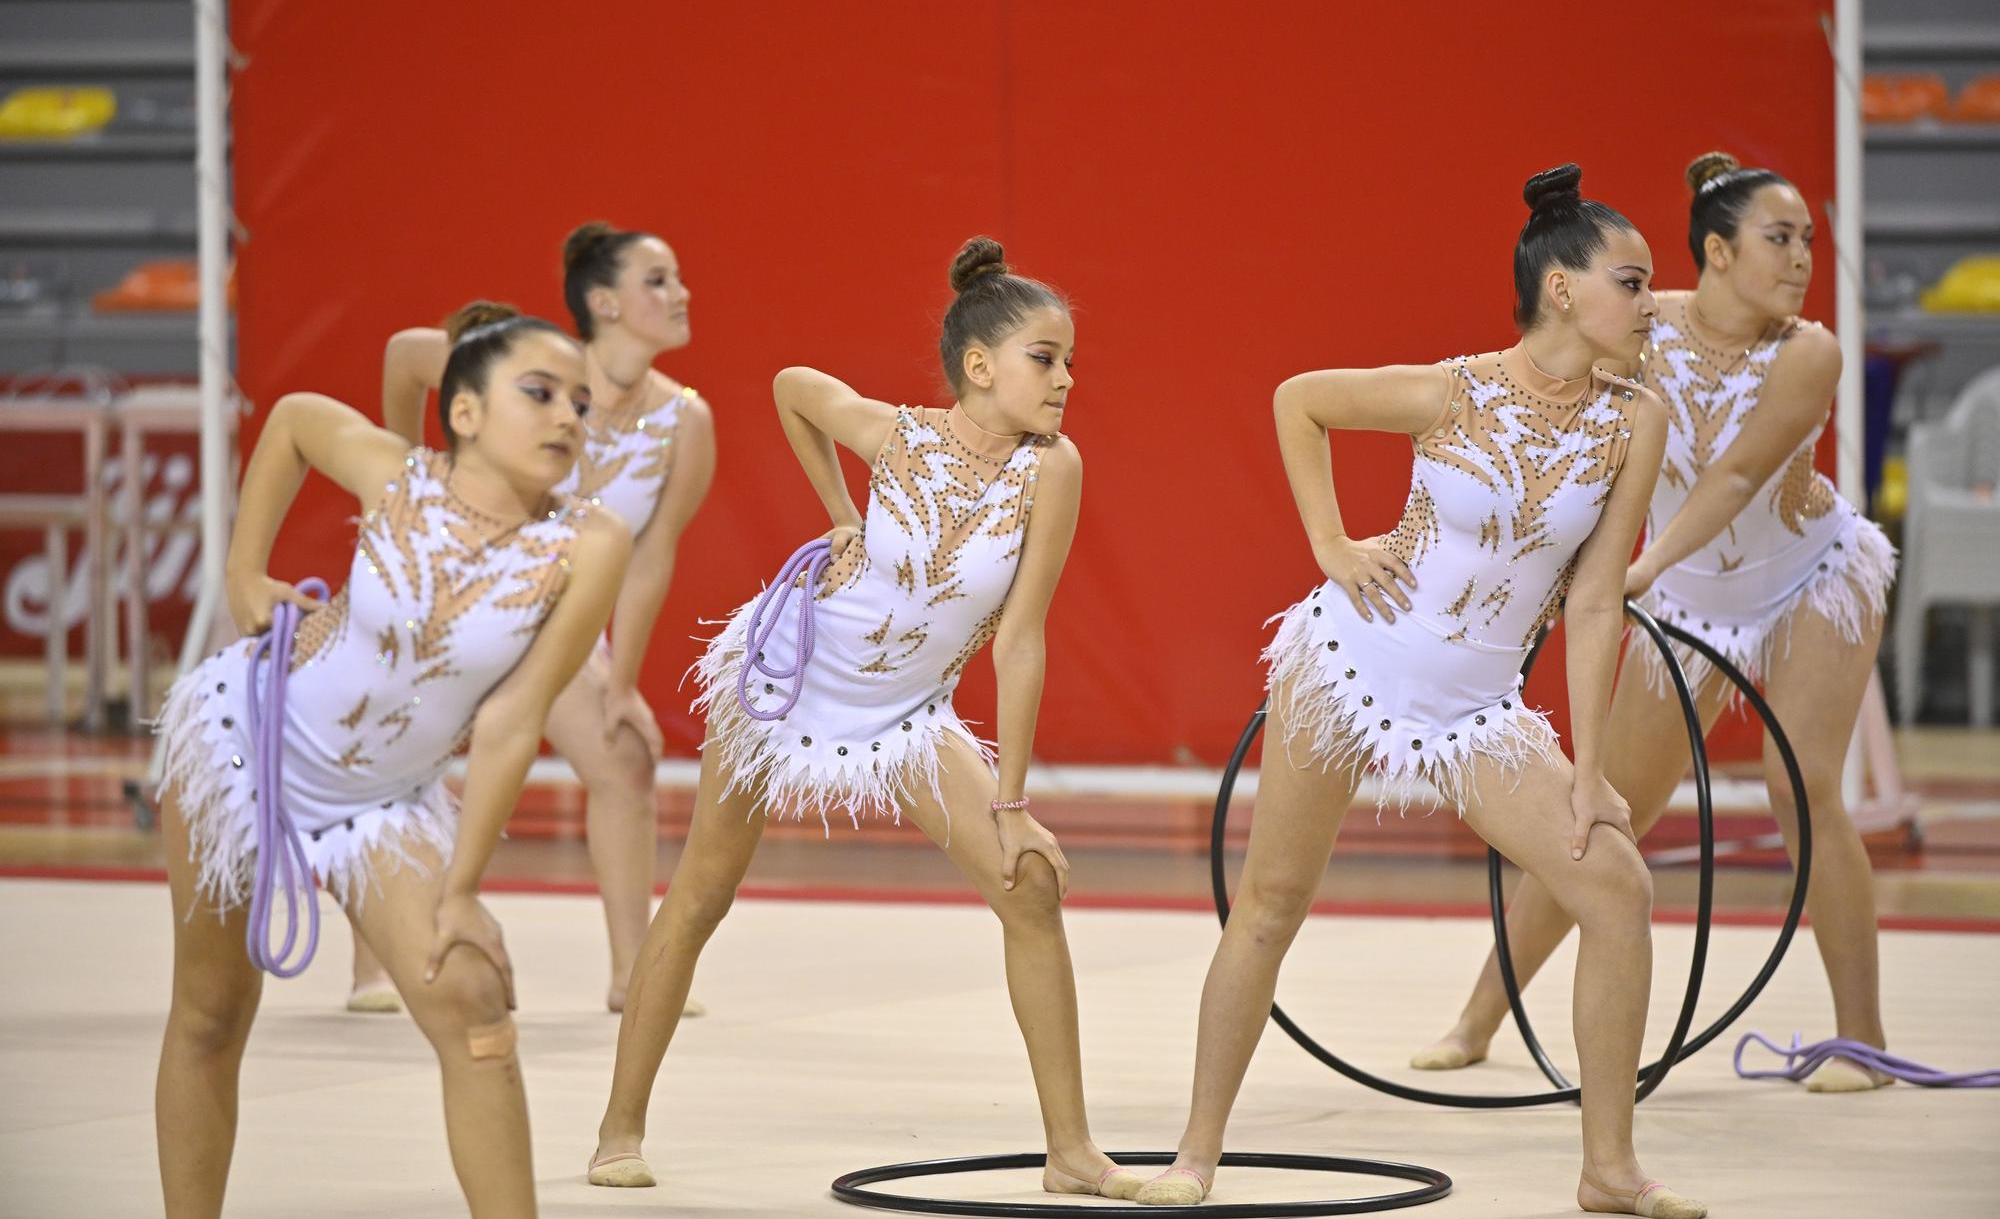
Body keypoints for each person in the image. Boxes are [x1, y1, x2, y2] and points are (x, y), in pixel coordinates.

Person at [1136, 167, 1705, 1218]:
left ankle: (1607, 1170)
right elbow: (1297, 400)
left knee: (1616, 886)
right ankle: (1193, 1155)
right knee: (1267, 907)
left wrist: (1587, 773)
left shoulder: (1635, 421)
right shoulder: (1454, 389)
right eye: (1632, 284)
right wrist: (1328, 542)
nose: (1650, 306)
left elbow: (1590, 605)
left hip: (1477, 707)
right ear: (1562, 290)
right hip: (1352, 664)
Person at [585, 237, 1136, 1202]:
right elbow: (795, 386)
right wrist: (843, 510)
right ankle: (618, 1126)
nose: (1066, 379)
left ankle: (1071, 1152)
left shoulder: (1054, 471)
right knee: (703, 890)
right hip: (792, 679)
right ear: (980, 366)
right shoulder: (900, 435)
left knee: (1032, 884)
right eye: (1046, 359)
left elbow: (1021, 641)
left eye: (1069, 361)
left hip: (907, 714)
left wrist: (1011, 801)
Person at [1413, 151, 1897, 1094]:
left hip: (1807, 575)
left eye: (1806, 239)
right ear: (1717, 251)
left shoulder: (1811, 350)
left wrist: (1635, 568)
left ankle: (1863, 1037)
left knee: (1802, 789)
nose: (1801, 258)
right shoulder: (1641, 321)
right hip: (1681, 596)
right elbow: (1552, 407)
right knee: (1599, 810)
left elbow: (1738, 474)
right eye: (1779, 238)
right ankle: (1478, 1018)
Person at [153, 303, 631, 1218]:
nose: (568, 416)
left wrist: (461, 889)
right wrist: (242, 575)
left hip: (380, 799)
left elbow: (510, 721)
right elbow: (292, 417)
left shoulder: (587, 545)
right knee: (212, 1013)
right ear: (464, 413)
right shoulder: (398, 476)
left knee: (475, 1001)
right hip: (243, 742)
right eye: (539, 393)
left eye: (580, 400)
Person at [346, 222, 714, 1016]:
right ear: (604, 301)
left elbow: (649, 559)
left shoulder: (687, 421)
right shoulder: (531, 371)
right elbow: (407, 356)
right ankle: (370, 962)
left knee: (623, 759)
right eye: (660, 280)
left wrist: (621, 684)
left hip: (552, 615)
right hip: (454, 585)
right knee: (396, 749)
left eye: (678, 278)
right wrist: (410, 484)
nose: (682, 293)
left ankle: (632, 973)